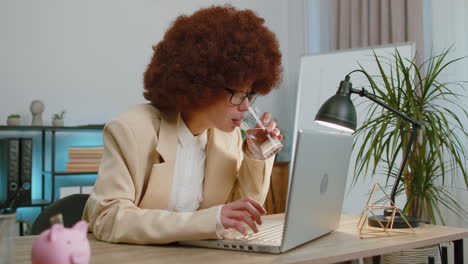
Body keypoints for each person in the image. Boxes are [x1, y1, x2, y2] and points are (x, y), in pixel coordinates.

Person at [83, 5, 283, 244]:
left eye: (250, 94)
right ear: (203, 84)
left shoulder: (227, 138)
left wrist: (256, 157)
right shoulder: (130, 131)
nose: (245, 107)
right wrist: (207, 222)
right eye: (239, 93)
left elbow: (237, 216)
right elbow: (108, 218)